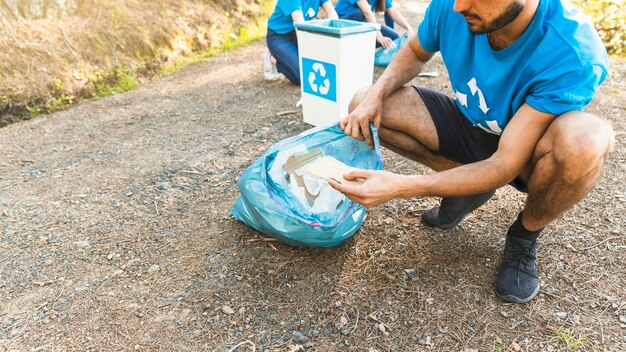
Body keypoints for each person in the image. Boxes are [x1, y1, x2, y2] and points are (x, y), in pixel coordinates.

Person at [329, 0, 614, 303]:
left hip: (528, 151)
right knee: (363, 103)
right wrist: (376, 93)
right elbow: (414, 51)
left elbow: (505, 163)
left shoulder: (572, 51)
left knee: (586, 140)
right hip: (473, 124)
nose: (458, 7)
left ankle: (525, 234)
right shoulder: (453, 5)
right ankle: (467, 188)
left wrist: (402, 185)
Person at [264, 0, 338, 83]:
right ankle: (272, 58)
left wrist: (335, 29)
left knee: (321, 65)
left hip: (300, 32)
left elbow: (331, 11)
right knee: (304, 77)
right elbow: (300, 27)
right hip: (279, 36)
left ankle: (287, 57)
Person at [335, 0, 415, 48]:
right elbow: (367, 12)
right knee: (359, 13)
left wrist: (409, 28)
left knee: (393, 37)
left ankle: (363, 48)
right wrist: (379, 35)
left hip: (362, 24)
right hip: (341, 25)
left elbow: (392, 12)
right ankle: (353, 48)